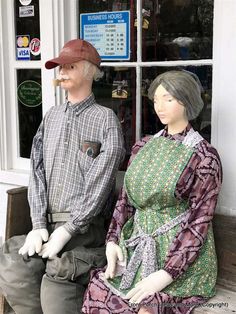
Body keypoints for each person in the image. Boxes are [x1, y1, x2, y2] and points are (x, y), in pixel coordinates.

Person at [0, 39, 125, 314]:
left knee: (61, 272)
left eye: (70, 66)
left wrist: (69, 228)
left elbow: (101, 182)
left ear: (90, 71)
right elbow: (37, 168)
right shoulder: (52, 116)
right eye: (60, 67)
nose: (62, 73)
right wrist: (36, 223)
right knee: (13, 261)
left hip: (84, 228)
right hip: (46, 222)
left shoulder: (105, 120)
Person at [82, 70, 222, 314]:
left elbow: (199, 221)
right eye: (156, 99)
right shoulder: (143, 146)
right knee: (99, 292)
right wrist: (113, 240)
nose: (159, 106)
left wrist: (167, 273)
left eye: (168, 99)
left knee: (148, 308)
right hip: (135, 245)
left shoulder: (204, 157)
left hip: (181, 257)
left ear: (187, 100)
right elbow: (125, 200)